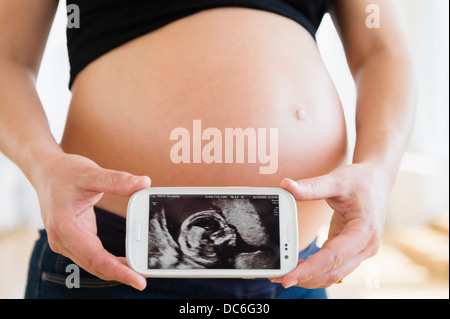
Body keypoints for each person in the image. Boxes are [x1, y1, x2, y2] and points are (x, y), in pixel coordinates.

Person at [0, 0, 416, 299]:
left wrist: (378, 173)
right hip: (109, 259)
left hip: (292, 271)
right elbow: (7, 57)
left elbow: (382, 51)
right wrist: (43, 166)